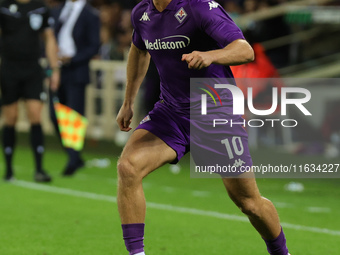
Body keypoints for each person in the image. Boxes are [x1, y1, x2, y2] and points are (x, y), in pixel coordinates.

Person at [116, 0, 291, 254]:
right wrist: (128, 102)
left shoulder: (199, 8)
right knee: (128, 167)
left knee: (248, 202)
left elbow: (244, 50)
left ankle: (281, 252)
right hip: (172, 112)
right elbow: (139, 50)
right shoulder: (142, 13)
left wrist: (210, 56)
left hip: (215, 113)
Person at [0, 0, 60, 182]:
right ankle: (9, 170)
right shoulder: (3, 7)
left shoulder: (40, 8)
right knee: (11, 117)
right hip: (9, 68)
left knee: (35, 115)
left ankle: (39, 169)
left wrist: (54, 69)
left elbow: (49, 38)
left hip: (33, 69)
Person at [49, 0, 100, 176]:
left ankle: (73, 159)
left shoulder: (91, 14)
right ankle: (74, 156)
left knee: (74, 116)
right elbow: (49, 36)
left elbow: (94, 45)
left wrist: (72, 58)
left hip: (77, 70)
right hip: (58, 70)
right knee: (54, 115)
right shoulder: (59, 10)